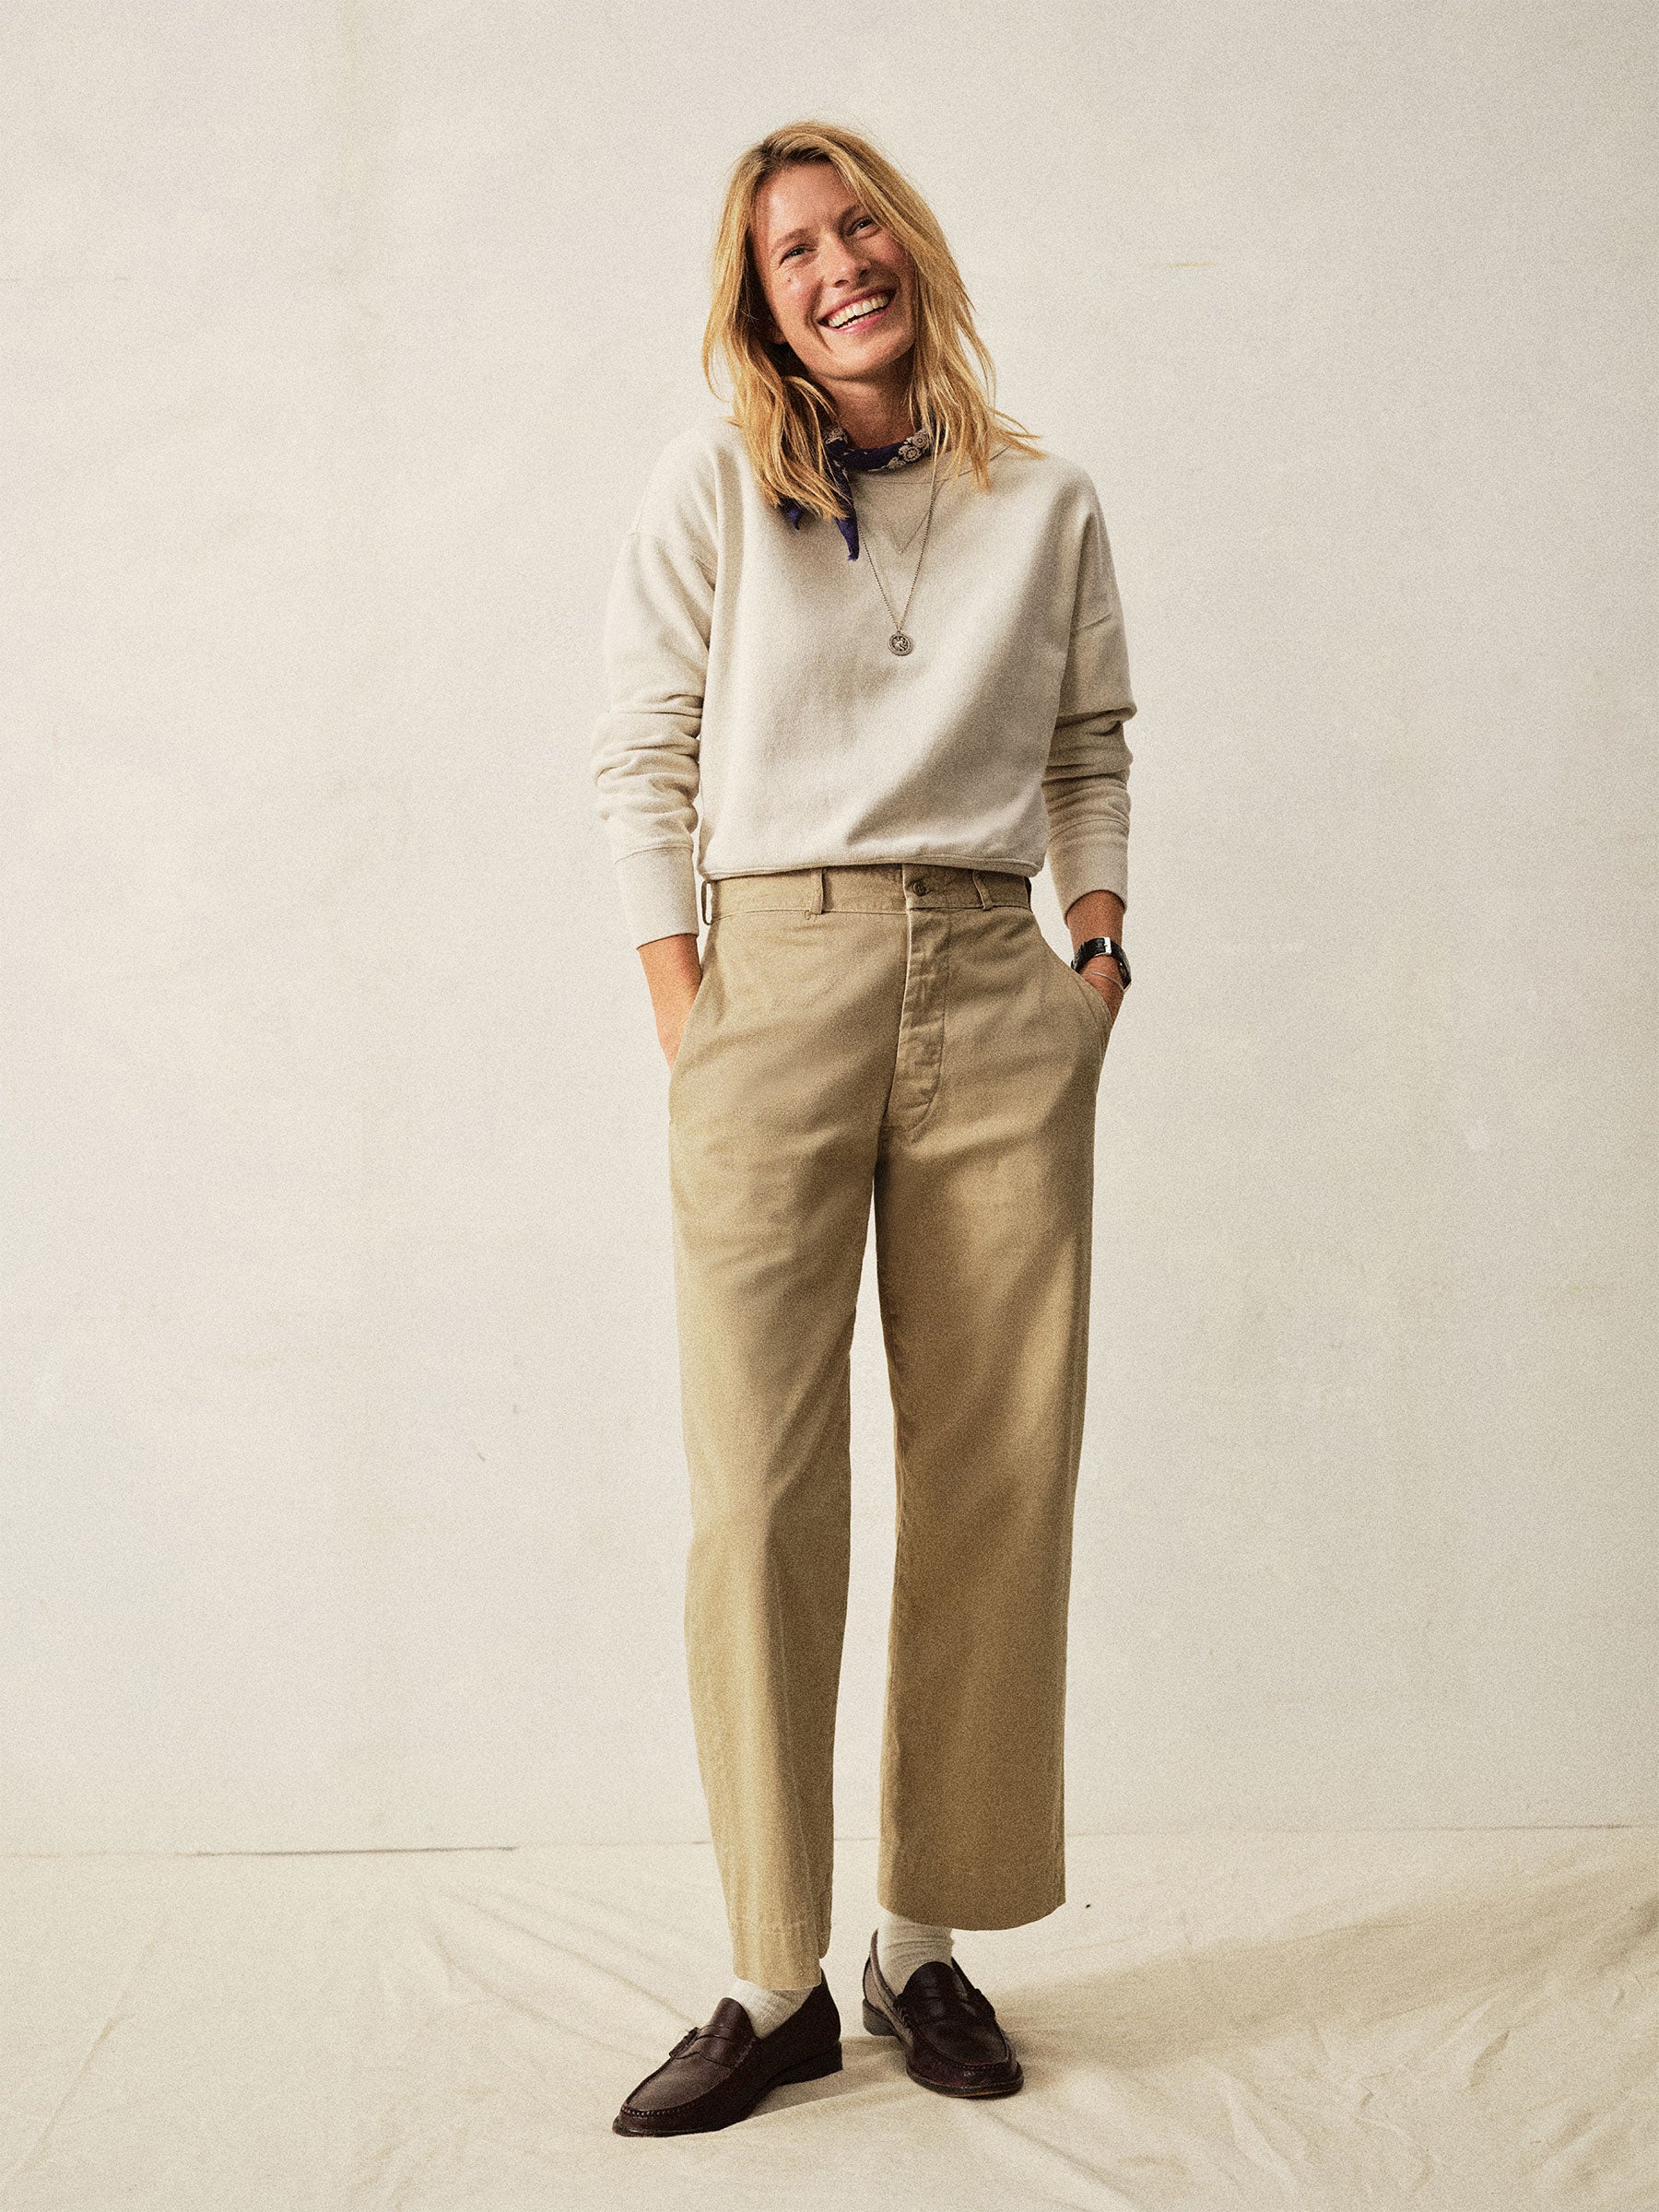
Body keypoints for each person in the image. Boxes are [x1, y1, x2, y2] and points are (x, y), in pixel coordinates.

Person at [591, 119, 1136, 2137]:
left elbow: (1089, 744)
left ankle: (922, 1939)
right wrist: (691, 1011)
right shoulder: (714, 485)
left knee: (995, 1467)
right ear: (761, 301)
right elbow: (640, 756)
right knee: (757, 1485)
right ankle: (773, 1973)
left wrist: (1094, 958)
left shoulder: (1045, 501)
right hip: (773, 976)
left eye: (857, 226)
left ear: (911, 241)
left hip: (995, 980)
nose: (838, 267)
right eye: (793, 251)